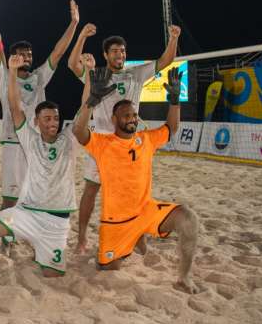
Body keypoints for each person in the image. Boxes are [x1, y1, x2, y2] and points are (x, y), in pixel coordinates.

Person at [72, 66, 199, 293]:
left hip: (145, 211)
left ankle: (184, 278)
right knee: (109, 268)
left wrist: (175, 101)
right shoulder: (103, 143)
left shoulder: (146, 139)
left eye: (133, 115)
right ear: (114, 119)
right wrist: (90, 102)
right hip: (116, 223)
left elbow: (172, 127)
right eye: (126, 116)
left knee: (189, 219)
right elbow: (78, 131)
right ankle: (131, 242)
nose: (132, 119)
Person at [0, 54, 93, 280]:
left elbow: (85, 108)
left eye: (55, 118)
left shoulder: (69, 139)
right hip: (26, 214)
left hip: (56, 222)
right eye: (46, 119)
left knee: (52, 275)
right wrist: (12, 73)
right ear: (36, 122)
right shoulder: (30, 139)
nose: (52, 123)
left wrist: (89, 77)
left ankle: (42, 252)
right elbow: (15, 107)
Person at [0, 0, 79, 252]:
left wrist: (74, 24)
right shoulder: (3, 75)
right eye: (21, 53)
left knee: (37, 194)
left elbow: (58, 51)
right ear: (12, 57)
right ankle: (6, 241)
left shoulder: (39, 77)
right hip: (13, 143)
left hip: (39, 145)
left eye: (29, 53)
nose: (27, 56)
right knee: (11, 196)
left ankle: (34, 235)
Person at [71, 25, 182, 255]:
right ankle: (81, 238)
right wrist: (81, 36)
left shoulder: (137, 73)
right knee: (91, 189)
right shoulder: (97, 75)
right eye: (114, 51)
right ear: (105, 54)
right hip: (101, 142)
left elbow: (166, 60)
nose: (120, 55)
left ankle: (137, 235)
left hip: (130, 142)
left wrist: (173, 38)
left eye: (122, 51)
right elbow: (73, 64)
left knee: (133, 191)